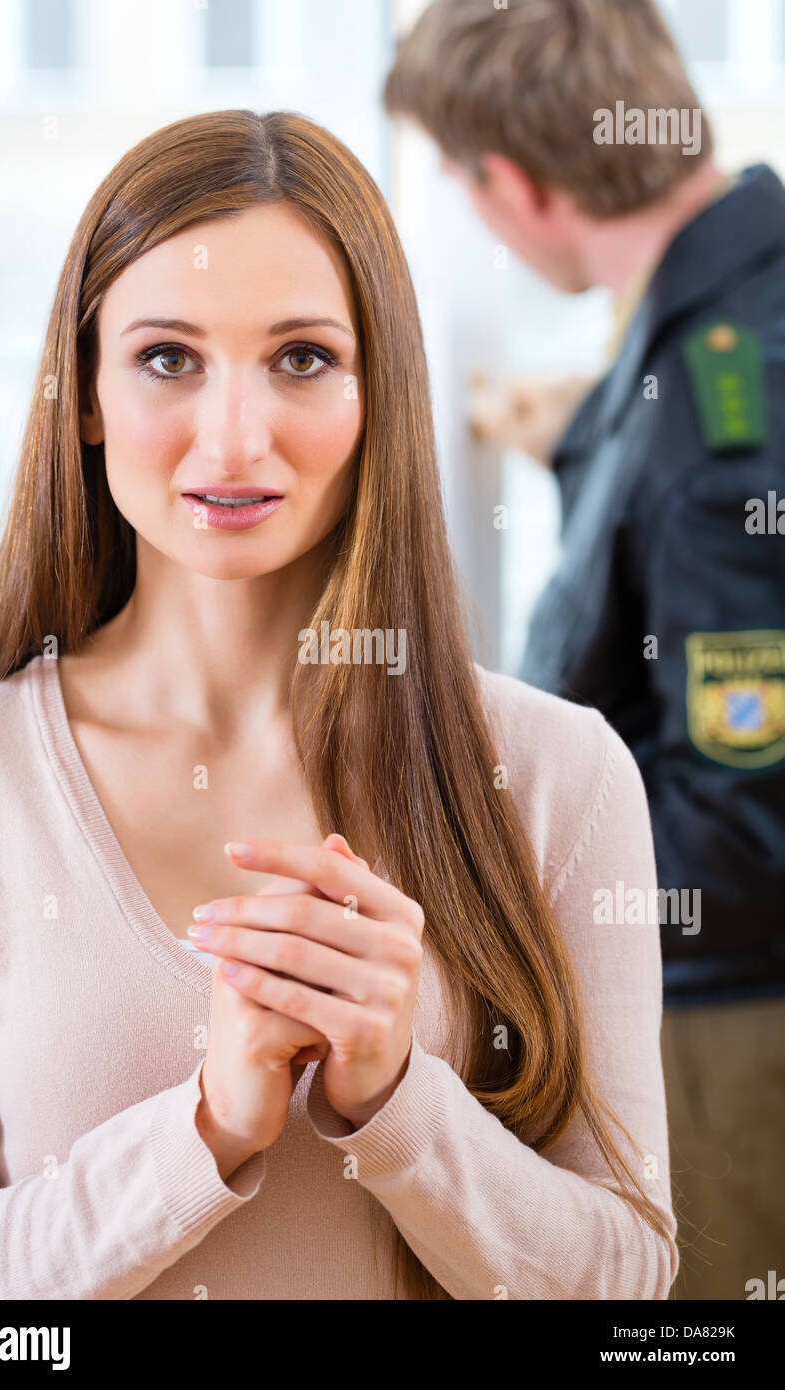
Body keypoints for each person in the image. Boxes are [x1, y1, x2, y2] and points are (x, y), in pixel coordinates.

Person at [0, 109, 676, 1301]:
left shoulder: (557, 771)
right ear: (84, 395)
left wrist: (396, 1102)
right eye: (167, 357)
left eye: (302, 358)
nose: (233, 436)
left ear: (380, 394)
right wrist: (207, 1129)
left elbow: (624, 1280)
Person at [383, 0, 785, 1299]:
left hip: (729, 1023)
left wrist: (502, 900)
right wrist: (586, 438)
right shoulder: (716, 315)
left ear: (513, 181)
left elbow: (742, 816)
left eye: (461, 184)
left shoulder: (721, 417)